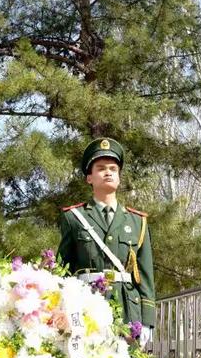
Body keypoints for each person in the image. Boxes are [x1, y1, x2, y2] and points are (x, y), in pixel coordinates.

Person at [57, 138, 155, 345]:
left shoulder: (137, 221)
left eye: (113, 169)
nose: (108, 172)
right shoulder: (74, 217)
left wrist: (147, 321)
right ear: (89, 178)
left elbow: (145, 275)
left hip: (127, 310)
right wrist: (59, 309)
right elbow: (62, 268)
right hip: (86, 306)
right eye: (101, 168)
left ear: (119, 178)